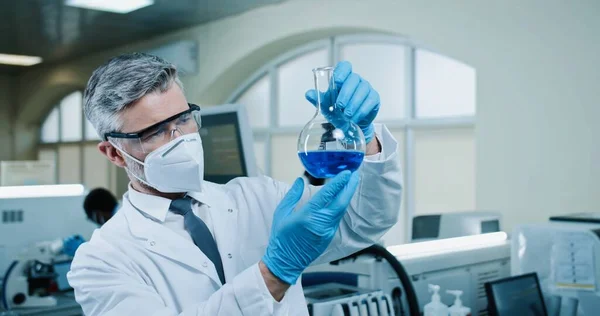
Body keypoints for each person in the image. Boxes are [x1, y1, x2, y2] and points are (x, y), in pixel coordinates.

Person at [67, 53, 403, 316]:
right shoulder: (100, 261)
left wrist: (366, 138)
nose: (180, 138)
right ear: (113, 152)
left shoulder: (256, 197)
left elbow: (365, 222)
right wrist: (274, 272)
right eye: (155, 131)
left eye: (184, 118)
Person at [62, 188, 120, 257]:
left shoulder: (118, 224)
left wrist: (84, 250)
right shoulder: (122, 212)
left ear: (97, 215)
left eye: (91, 218)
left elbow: (110, 255)